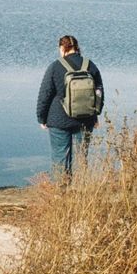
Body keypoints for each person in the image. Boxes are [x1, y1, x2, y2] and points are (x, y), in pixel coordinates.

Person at [36, 35, 104, 182]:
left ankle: (61, 193)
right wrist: (96, 115)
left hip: (59, 119)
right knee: (81, 157)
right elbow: (99, 92)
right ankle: (80, 192)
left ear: (62, 48)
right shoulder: (90, 65)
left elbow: (45, 94)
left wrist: (41, 117)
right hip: (86, 119)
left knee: (60, 157)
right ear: (77, 48)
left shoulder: (55, 66)